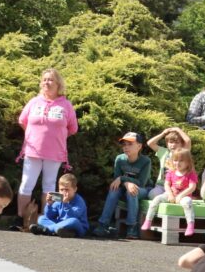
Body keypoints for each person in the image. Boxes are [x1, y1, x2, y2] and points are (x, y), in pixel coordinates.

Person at [12, 68, 78, 230]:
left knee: (50, 186)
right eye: (44, 79)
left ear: (58, 84)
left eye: (51, 80)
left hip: (55, 153)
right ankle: (21, 218)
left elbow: (73, 128)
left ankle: (47, 219)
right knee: (26, 184)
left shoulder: (66, 105)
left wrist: (57, 137)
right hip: (32, 151)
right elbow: (22, 120)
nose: (47, 82)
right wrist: (34, 135)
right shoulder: (34, 102)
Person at [92, 132, 152, 239]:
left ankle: (132, 227)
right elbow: (117, 180)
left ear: (139, 146)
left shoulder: (146, 161)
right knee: (113, 190)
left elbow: (141, 183)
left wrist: (123, 179)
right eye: (124, 144)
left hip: (143, 189)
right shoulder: (120, 159)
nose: (126, 147)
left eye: (130, 144)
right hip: (124, 187)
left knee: (132, 191)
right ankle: (103, 225)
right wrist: (126, 182)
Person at [142, 149, 199, 238]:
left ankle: (190, 225)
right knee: (156, 199)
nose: (177, 163)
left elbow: (192, 187)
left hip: (183, 196)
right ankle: (148, 221)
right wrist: (170, 194)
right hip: (170, 195)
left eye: (181, 161)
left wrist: (181, 195)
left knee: (187, 203)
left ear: (188, 162)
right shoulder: (171, 172)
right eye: (175, 160)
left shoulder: (190, 173)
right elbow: (167, 184)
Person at [30, 173, 88, 237]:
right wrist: (49, 205)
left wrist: (65, 204)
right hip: (61, 225)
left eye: (67, 190)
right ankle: (59, 231)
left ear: (75, 189)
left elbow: (72, 216)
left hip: (77, 227)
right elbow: (49, 216)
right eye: (61, 190)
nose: (63, 192)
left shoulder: (79, 201)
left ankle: (47, 230)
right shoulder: (59, 200)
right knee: (41, 219)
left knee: (74, 221)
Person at [146, 127, 191, 197]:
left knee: (169, 196)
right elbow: (150, 143)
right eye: (171, 142)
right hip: (161, 185)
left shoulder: (183, 153)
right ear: (167, 144)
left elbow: (188, 141)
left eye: (177, 142)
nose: (173, 145)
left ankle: (168, 197)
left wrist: (178, 130)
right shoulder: (164, 152)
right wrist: (163, 133)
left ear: (182, 144)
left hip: (177, 186)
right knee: (152, 195)